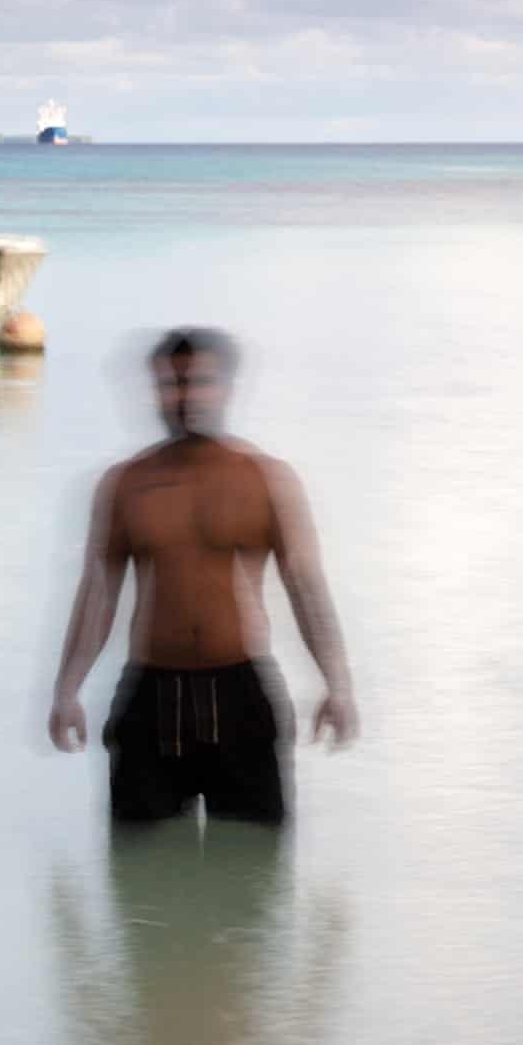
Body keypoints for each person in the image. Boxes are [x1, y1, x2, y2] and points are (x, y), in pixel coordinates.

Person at [48, 328, 356, 824]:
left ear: (226, 388)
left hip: (241, 696)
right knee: (141, 885)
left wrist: (338, 685)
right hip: (149, 699)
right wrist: (66, 691)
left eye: (200, 382)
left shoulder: (264, 479)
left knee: (252, 882)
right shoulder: (126, 485)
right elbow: (97, 593)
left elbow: (306, 585)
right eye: (172, 384)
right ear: (155, 389)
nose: (186, 396)